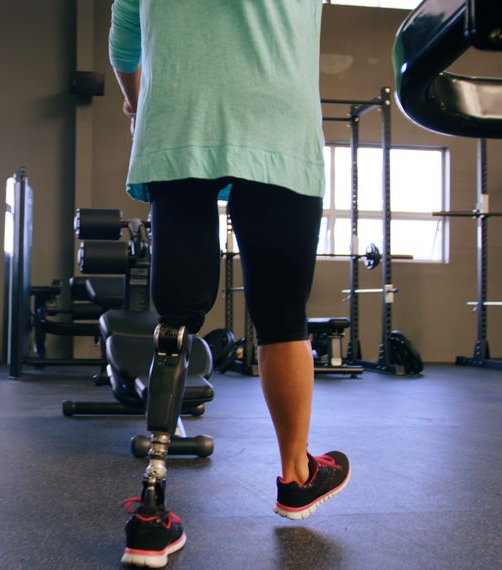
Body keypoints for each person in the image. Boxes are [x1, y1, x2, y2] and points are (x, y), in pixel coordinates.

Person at [108, 1, 350, 567]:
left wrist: (136, 101)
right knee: (283, 318)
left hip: (179, 122)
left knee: (177, 314)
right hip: (278, 128)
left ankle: (151, 507)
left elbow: (124, 46)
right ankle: (296, 477)